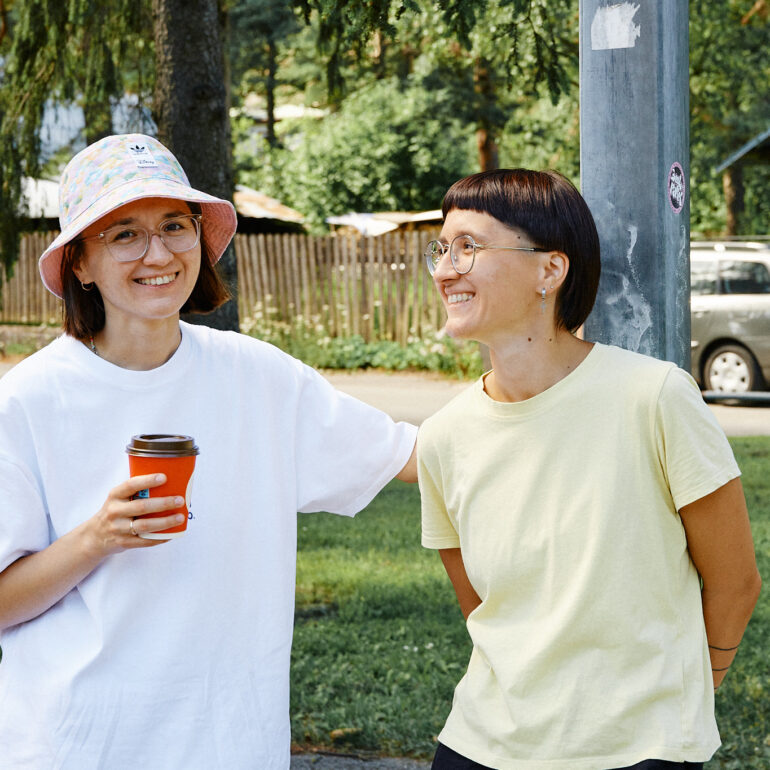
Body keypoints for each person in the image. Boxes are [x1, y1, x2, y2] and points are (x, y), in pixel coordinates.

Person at [0, 133, 417, 769]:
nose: (158, 253)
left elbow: (410, 456)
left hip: (231, 744)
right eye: (123, 234)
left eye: (175, 225)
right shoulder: (28, 401)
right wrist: (96, 538)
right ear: (79, 263)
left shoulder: (258, 377)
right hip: (78, 745)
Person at [417, 169, 761, 770]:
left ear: (551, 269)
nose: (446, 269)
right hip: (479, 744)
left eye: (469, 246)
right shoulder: (445, 436)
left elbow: (735, 582)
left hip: (637, 751)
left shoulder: (655, 398)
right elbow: (483, 609)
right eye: (441, 249)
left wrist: (682, 698)